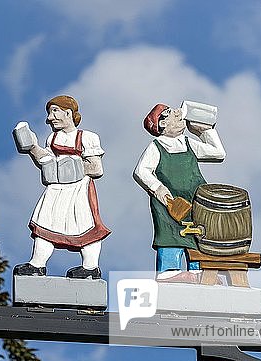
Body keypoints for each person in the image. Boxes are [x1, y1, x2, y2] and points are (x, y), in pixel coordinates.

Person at [14, 95, 110, 279]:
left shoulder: (87, 137)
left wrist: (69, 168)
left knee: (84, 224)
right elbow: (46, 161)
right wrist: (32, 147)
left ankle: (90, 267)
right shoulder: (52, 138)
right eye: (50, 113)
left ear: (68, 113)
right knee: (45, 221)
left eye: (54, 112)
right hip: (56, 189)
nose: (50, 118)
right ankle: (37, 264)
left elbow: (96, 168)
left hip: (79, 188)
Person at [133, 103, 225, 283]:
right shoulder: (157, 146)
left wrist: (204, 131)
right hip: (169, 204)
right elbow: (141, 171)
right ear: (162, 124)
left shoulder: (188, 143)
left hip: (195, 202)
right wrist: (159, 190)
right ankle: (169, 272)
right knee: (171, 237)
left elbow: (218, 153)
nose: (178, 113)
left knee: (199, 236)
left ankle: (199, 271)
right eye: (171, 114)